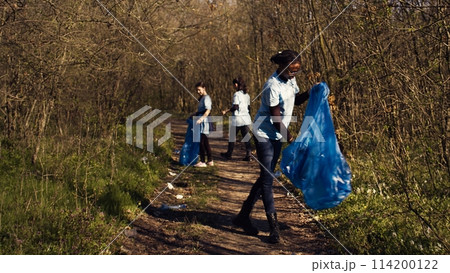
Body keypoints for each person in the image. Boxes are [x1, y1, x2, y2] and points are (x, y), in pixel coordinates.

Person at [232, 50, 311, 244]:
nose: (294, 74)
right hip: (264, 133)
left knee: (265, 176)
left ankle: (243, 215)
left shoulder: (290, 80)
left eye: (297, 70)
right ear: (282, 67)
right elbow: (276, 118)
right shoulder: (272, 86)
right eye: (292, 70)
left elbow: (296, 100)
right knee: (267, 180)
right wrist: (291, 138)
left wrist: (311, 92)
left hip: (278, 133)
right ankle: (273, 229)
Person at [221, 76, 252, 161]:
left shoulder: (236, 94)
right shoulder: (247, 95)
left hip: (238, 119)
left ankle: (229, 154)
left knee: (232, 137)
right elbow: (249, 108)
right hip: (246, 119)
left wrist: (226, 111)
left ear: (236, 84)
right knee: (246, 138)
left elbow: (235, 107)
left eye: (233, 84)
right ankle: (248, 155)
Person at [191, 81, 214, 167]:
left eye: (199, 90)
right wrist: (194, 114)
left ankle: (203, 161)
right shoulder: (202, 98)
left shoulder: (206, 98)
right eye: (197, 90)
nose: (198, 92)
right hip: (201, 120)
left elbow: (208, 110)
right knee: (205, 142)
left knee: (201, 142)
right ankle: (210, 160)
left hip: (204, 122)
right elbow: (201, 110)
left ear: (204, 88)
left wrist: (201, 119)